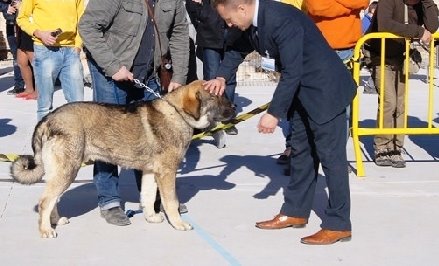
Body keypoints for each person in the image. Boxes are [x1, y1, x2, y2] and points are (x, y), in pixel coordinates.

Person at [204, 0, 356, 245]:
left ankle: (338, 224)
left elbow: (293, 71)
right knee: (301, 155)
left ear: (241, 9)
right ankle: (295, 211)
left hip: (325, 92)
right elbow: (236, 49)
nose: (229, 24)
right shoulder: (251, 24)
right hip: (301, 95)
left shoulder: (281, 19)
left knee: (331, 159)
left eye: (229, 19)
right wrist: (221, 75)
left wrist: (274, 113)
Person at [79, 0, 189, 226]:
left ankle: (151, 198)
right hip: (111, 76)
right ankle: (109, 200)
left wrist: (179, 76)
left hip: (148, 76)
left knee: (153, 142)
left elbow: (179, 32)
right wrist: (112, 66)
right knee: (106, 140)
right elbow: (88, 27)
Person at [366, 0, 439, 168]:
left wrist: (428, 2)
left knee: (400, 104)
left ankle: (396, 147)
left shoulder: (420, 4)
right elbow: (385, 24)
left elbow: (433, 26)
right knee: (389, 102)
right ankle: (382, 147)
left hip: (402, 57)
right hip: (381, 56)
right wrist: (418, 31)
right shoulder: (388, 1)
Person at [16, 0, 85, 121]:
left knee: (78, 104)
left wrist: (78, 45)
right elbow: (22, 18)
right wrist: (39, 33)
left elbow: (82, 19)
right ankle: (43, 138)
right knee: (45, 106)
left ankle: (75, 137)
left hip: (71, 51)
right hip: (45, 50)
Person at [186, 0, 239, 149]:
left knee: (229, 78)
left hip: (232, 32)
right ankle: (212, 119)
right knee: (211, 78)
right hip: (209, 35)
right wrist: (203, 15)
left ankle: (228, 117)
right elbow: (190, 5)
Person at [0, 0, 25, 95]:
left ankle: (37, 84)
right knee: (16, 55)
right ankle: (19, 85)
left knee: (32, 54)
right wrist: (5, 7)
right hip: (11, 24)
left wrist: (22, 4)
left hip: (27, 24)